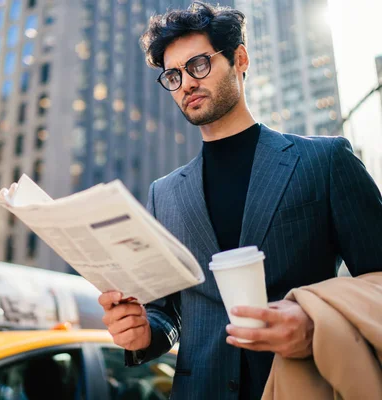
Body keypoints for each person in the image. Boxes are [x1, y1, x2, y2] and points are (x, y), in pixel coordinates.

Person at [97, 2, 382, 399]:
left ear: (240, 58)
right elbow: (169, 312)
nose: (187, 84)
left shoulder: (325, 161)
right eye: (174, 76)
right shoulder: (164, 194)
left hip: (304, 384)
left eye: (199, 64)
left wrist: (315, 320)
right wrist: (143, 332)